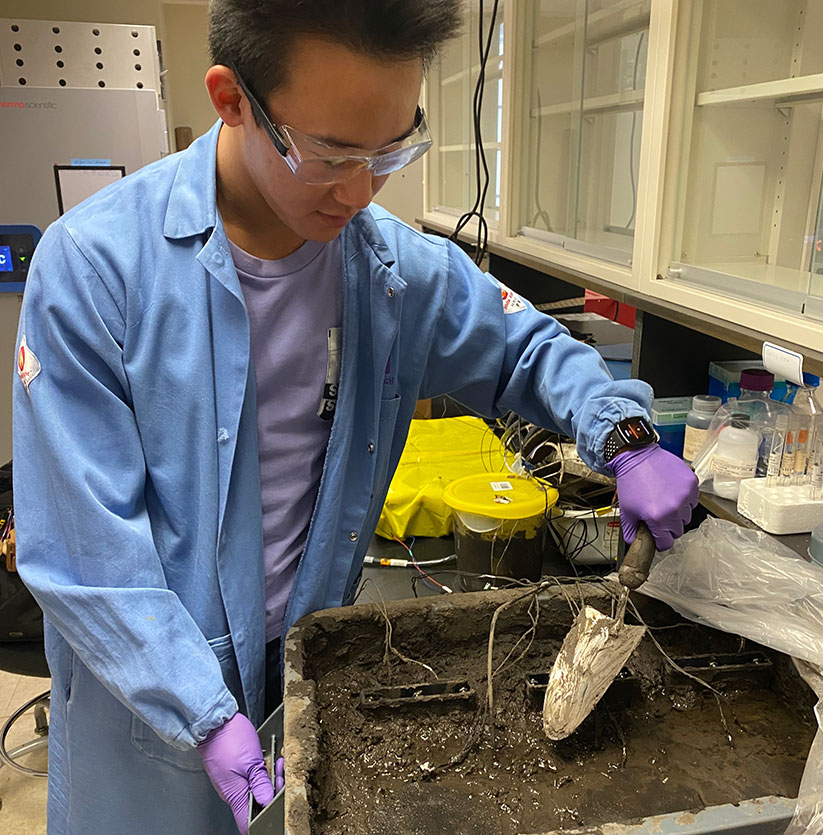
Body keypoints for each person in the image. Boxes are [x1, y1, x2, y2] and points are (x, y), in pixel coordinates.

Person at [12, 1, 698, 833]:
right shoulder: (96, 270)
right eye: (330, 153)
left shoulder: (394, 270)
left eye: (390, 150)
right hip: (145, 690)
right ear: (232, 99)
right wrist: (201, 711)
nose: (359, 189)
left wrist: (626, 440)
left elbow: (526, 352)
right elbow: (87, 554)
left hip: (304, 652)